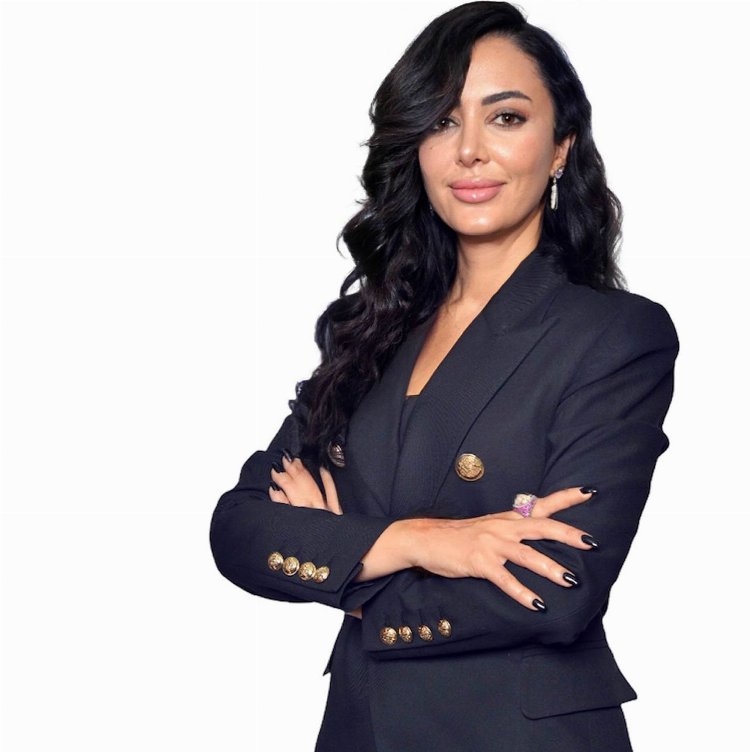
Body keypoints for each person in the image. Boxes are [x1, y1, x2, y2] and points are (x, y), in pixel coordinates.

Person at [209, 2, 679, 750]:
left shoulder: (613, 335)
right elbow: (239, 528)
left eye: (505, 118)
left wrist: (349, 571)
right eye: (441, 122)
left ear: (560, 146)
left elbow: (560, 590)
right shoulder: (367, 330)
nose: (468, 152)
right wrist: (423, 541)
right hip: (361, 728)